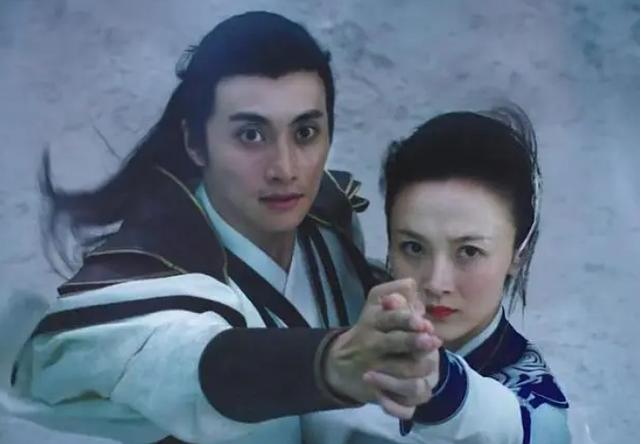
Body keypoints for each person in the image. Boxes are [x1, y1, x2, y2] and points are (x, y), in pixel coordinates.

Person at [8, 11, 441, 444]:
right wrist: (333, 364)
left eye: (305, 132)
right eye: (251, 135)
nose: (285, 168)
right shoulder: (130, 287)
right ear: (195, 143)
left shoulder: (330, 224)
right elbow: (187, 361)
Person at [302, 107, 571, 443]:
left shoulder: (538, 414)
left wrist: (443, 385)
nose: (436, 283)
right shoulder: (340, 316)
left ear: (520, 253)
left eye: (469, 251)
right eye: (414, 247)